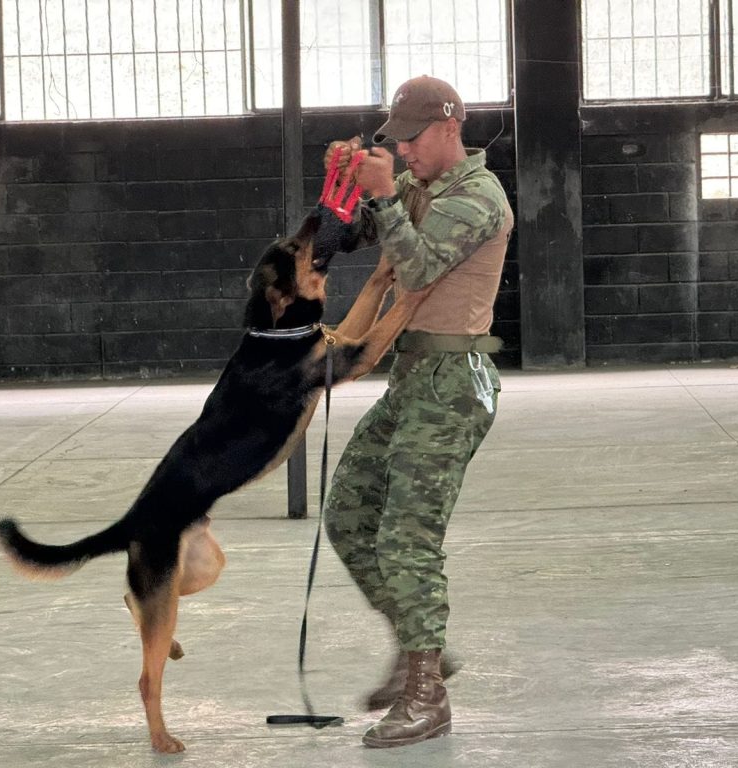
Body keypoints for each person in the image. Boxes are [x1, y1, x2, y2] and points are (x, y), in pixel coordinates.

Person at [322, 75, 513, 749]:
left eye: (411, 142)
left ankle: (426, 695)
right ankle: (416, 648)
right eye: (395, 144)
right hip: (410, 376)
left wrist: (384, 196)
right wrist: (347, 185)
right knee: (347, 511)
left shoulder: (479, 197)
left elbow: (421, 264)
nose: (403, 155)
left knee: (408, 535)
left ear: (448, 127)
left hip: (454, 381)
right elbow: (354, 236)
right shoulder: (417, 187)